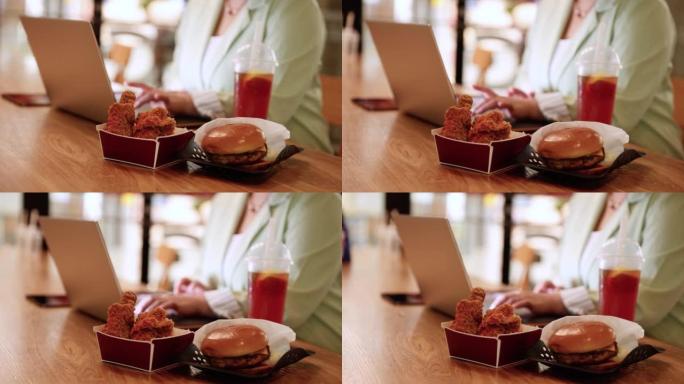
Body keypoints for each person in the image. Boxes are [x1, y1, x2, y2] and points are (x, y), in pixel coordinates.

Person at [474, 0, 684, 159]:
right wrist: (513, 101)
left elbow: (615, 114)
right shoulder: (551, 5)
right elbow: (526, 78)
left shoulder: (645, 9)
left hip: (643, 162)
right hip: (559, 156)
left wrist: (536, 106)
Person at [142, 193, 342, 353]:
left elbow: (289, 304)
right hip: (236, 347)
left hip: (311, 354)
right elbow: (207, 274)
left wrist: (207, 302)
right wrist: (199, 290)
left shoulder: (318, 200)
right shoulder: (224, 199)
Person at [131, 0, 333, 153]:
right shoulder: (199, 4)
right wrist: (164, 98)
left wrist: (191, 101)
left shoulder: (296, 8)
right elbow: (175, 77)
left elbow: (269, 111)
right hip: (208, 153)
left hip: (292, 159)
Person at [495, 193, 684, 348]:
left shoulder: (672, 200)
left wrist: (559, 300)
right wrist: (558, 290)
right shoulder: (585, 196)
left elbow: (645, 302)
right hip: (584, 341)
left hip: (658, 351)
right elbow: (564, 270)